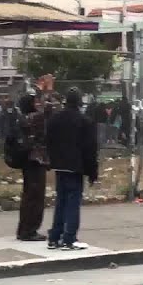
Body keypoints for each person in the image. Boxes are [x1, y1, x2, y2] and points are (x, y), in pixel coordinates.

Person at [45, 87, 99, 251]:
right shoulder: (85, 121)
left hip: (59, 165)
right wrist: (92, 171)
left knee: (61, 200)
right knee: (73, 202)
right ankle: (69, 238)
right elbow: (90, 149)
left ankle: (55, 237)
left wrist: (52, 160)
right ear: (79, 102)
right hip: (76, 166)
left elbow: (48, 141)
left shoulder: (55, 119)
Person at [11, 92, 48, 242]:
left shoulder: (22, 119)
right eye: (35, 102)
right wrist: (48, 91)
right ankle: (30, 229)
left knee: (28, 196)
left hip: (27, 160)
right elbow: (49, 113)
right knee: (36, 196)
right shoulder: (34, 118)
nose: (38, 104)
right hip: (35, 160)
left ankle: (23, 228)